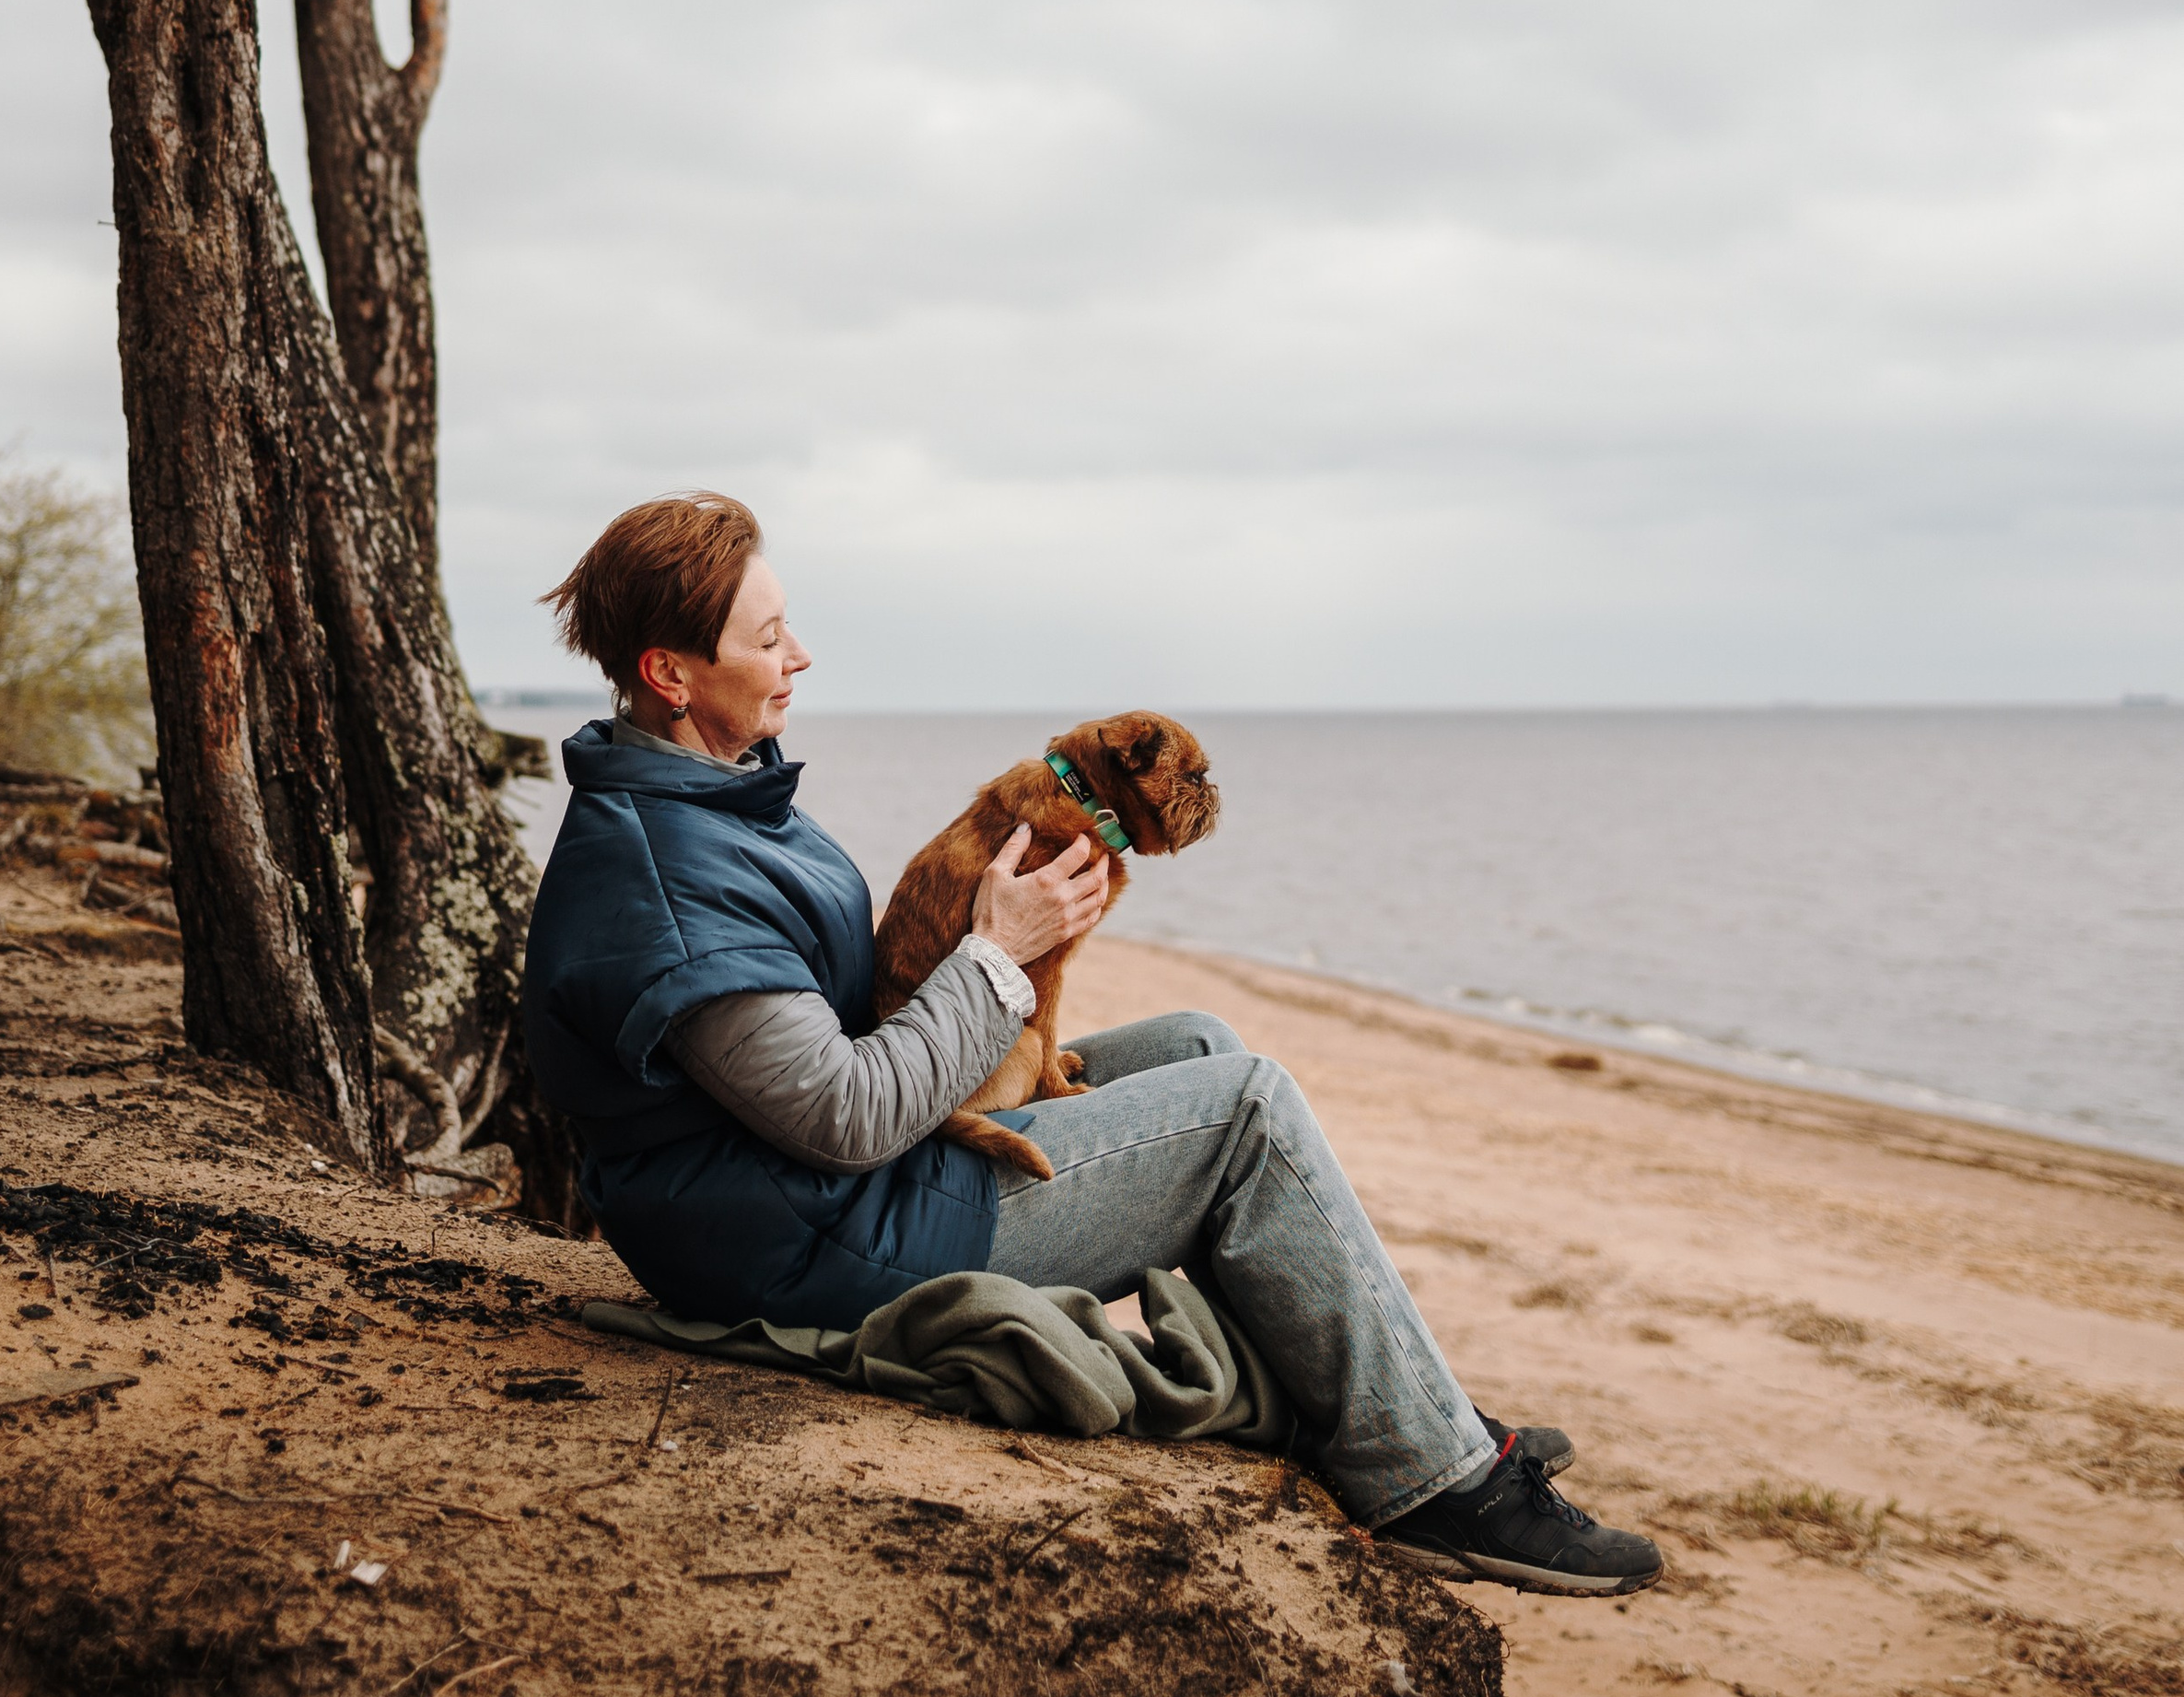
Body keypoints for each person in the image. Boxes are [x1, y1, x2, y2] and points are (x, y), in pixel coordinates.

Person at [522, 490, 1661, 1595]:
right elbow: (842, 1119)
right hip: (806, 1236)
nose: (800, 657)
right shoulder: (667, 877)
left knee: (1201, 1046)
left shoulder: (715, 798)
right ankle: (1441, 1484)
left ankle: (1391, 1407)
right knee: (1244, 1109)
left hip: (825, 1186)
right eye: (768, 639)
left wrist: (979, 965)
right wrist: (994, 955)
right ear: (670, 674)